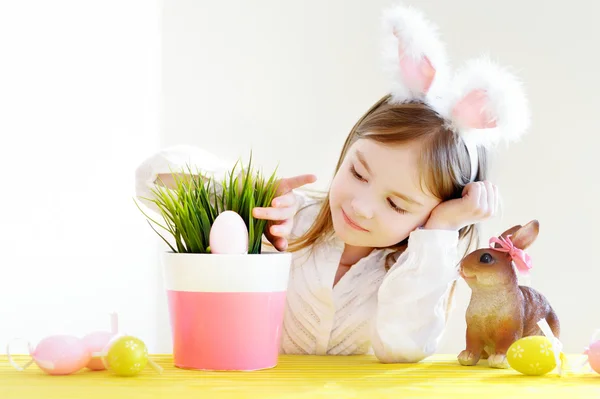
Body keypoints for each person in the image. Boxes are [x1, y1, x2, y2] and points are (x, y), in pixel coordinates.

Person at [135, 3, 531, 363]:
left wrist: (442, 229)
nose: (361, 205)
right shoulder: (289, 218)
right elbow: (152, 179)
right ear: (350, 146)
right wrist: (248, 194)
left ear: (430, 214)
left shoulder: (415, 268)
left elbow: (402, 350)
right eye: (358, 172)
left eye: (397, 205)